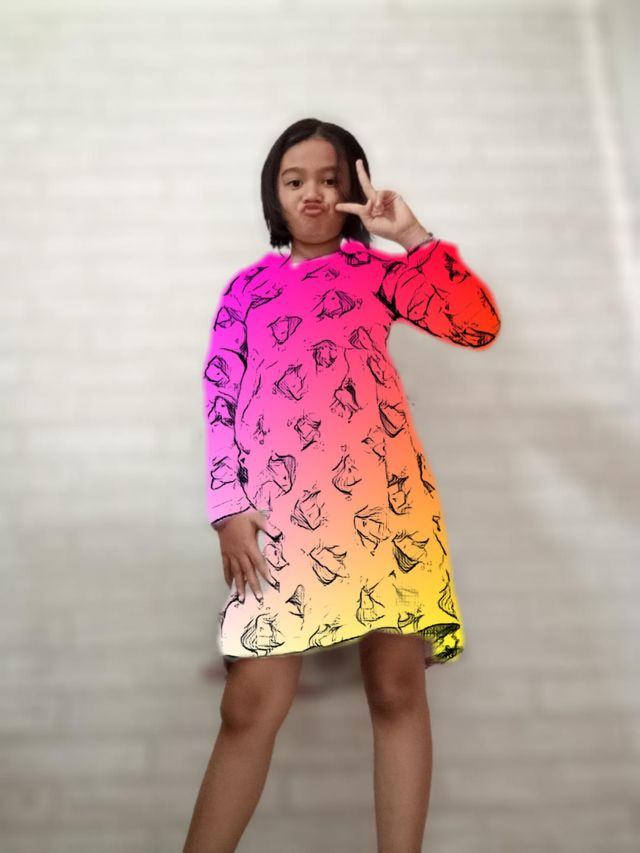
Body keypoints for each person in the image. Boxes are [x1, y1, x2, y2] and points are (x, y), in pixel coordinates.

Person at [183, 118, 501, 853]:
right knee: (250, 704)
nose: (315, 194)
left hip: (386, 506)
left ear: (354, 187)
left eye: (330, 179)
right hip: (280, 517)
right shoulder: (246, 290)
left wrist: (412, 236)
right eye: (296, 180)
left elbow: (477, 325)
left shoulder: (382, 273)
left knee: (395, 685)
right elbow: (220, 399)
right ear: (274, 193)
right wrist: (227, 507)